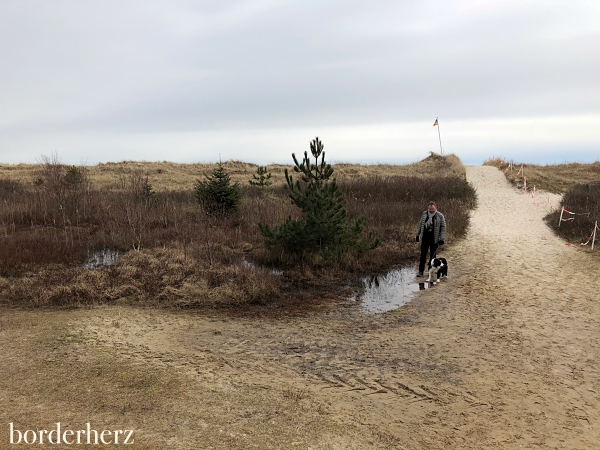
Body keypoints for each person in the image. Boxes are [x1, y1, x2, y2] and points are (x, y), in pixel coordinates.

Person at [415, 201, 446, 277]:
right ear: (428, 208)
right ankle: (421, 271)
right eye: (430, 209)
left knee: (433, 256)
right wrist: (417, 234)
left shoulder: (440, 216)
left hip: (434, 239)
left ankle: (430, 270)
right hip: (425, 238)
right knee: (423, 255)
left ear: (436, 207)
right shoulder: (424, 214)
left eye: (432, 209)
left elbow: (443, 227)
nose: (431, 210)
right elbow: (420, 224)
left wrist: (441, 238)